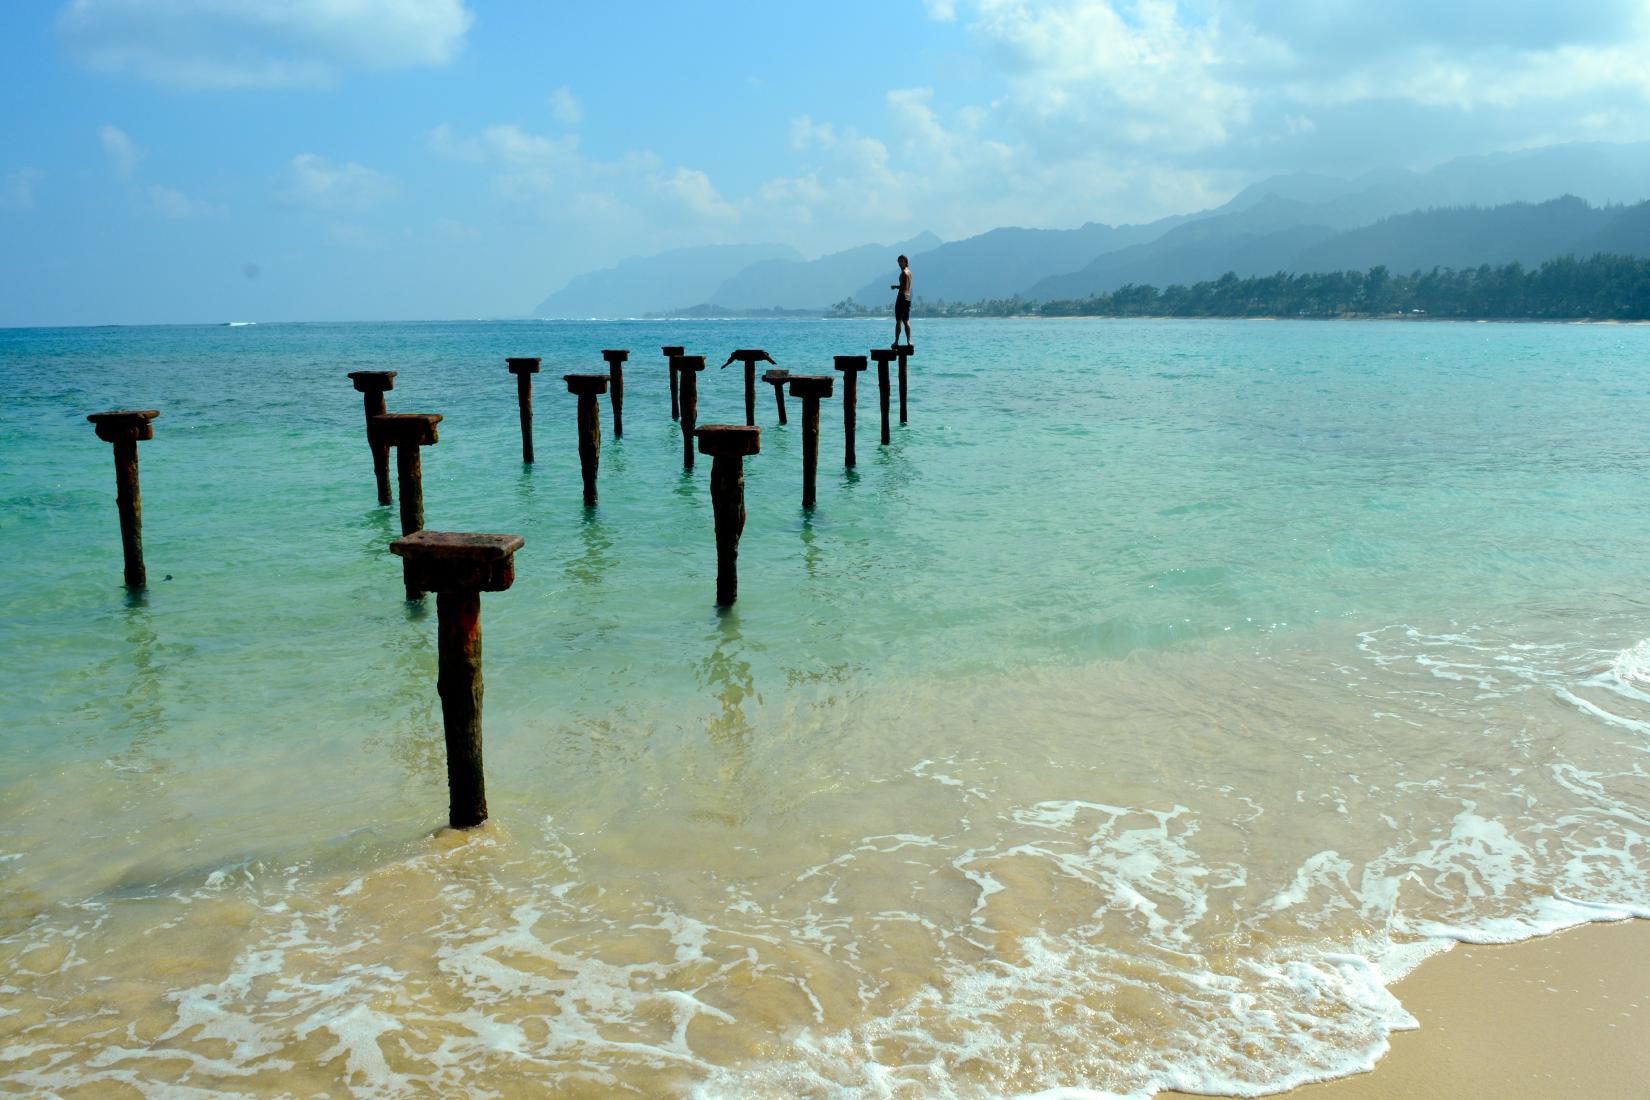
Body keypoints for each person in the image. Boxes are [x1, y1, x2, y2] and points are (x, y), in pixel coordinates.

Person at [890, 254, 912, 346]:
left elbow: (903, 287)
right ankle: (909, 341)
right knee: (906, 321)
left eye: (902, 261)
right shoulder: (910, 272)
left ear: (906, 262)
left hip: (902, 297)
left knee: (899, 321)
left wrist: (895, 286)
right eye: (899, 261)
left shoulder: (904, 273)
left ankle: (896, 341)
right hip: (908, 297)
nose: (900, 263)